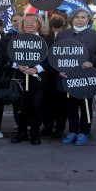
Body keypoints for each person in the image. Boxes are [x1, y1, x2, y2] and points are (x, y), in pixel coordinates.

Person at [57, 9, 96, 146]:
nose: (80, 19)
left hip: (87, 76)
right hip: (69, 76)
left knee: (85, 106)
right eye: (77, 17)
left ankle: (84, 132)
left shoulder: (95, 35)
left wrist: (92, 62)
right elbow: (56, 54)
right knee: (70, 106)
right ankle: (72, 131)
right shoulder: (62, 35)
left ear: (88, 19)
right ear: (72, 19)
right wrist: (59, 70)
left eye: (83, 17)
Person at [11, 13, 53, 145]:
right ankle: (21, 132)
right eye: (26, 21)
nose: (29, 24)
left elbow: (50, 59)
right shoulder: (17, 38)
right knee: (21, 106)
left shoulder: (46, 39)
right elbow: (11, 56)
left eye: (32, 21)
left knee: (36, 105)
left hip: (39, 78)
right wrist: (17, 65)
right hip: (21, 77)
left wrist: (36, 69)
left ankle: (35, 133)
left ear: (39, 24)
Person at [42, 9, 69, 138]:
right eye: (54, 18)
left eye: (59, 18)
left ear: (64, 21)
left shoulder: (68, 35)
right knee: (46, 102)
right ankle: (47, 127)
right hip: (46, 74)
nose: (56, 20)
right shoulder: (44, 35)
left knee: (61, 103)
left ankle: (59, 128)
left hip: (62, 74)